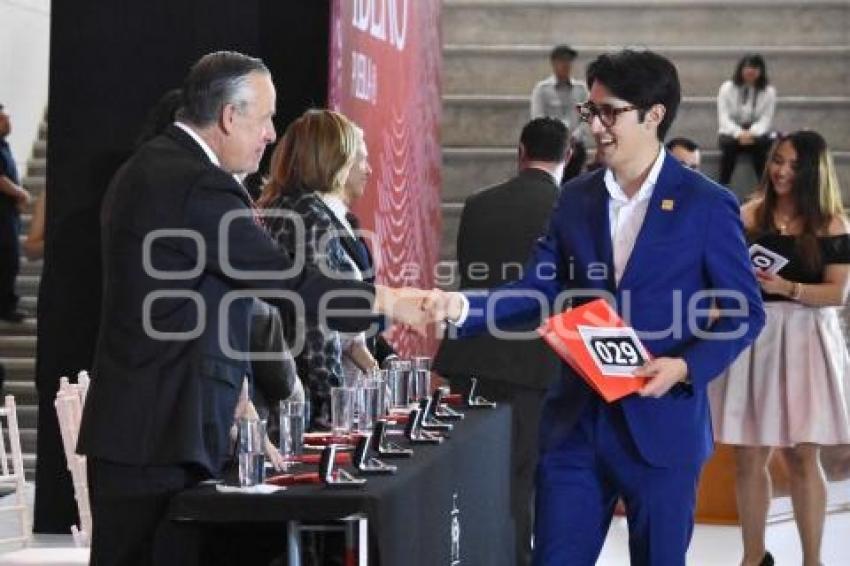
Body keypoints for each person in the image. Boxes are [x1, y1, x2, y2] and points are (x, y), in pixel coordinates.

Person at [77, 51, 436, 566]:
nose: (271, 133)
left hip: (155, 428)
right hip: (158, 436)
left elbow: (196, 307)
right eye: (266, 118)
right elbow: (286, 279)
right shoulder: (196, 182)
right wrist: (393, 303)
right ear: (229, 116)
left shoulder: (155, 167)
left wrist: (240, 403)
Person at [431, 49, 765, 566]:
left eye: (611, 112)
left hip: (663, 430)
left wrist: (685, 367)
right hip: (576, 429)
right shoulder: (575, 197)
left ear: (654, 115)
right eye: (591, 111)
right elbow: (536, 287)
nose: (597, 126)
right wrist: (459, 308)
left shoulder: (706, 203)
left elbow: (745, 312)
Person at [709, 130, 850, 566]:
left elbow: (836, 295)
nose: (782, 171)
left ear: (813, 172)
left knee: (804, 455)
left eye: (793, 165)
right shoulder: (749, 214)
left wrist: (786, 286)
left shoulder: (831, 222)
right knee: (749, 453)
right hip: (756, 338)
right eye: (777, 161)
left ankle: (813, 560)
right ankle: (753, 558)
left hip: (807, 338)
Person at [433, 117, 568, 566]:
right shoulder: (569, 209)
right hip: (536, 364)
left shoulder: (477, 203)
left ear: (520, 152)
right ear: (567, 156)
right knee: (522, 479)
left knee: (473, 474)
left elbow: (474, 275)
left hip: (473, 357)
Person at [258, 109, 379, 429]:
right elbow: (314, 319)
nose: (368, 169)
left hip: (314, 393)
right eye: (359, 158)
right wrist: (330, 407)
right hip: (309, 407)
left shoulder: (309, 212)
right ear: (334, 159)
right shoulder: (306, 214)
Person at [340, 126, 398, 366]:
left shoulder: (348, 224)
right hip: (330, 391)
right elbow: (331, 309)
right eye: (363, 160)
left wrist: (387, 357)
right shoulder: (314, 225)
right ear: (339, 163)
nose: (370, 170)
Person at [530, 45, 588, 182]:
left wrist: (574, 137)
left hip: (575, 147)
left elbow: (587, 118)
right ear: (554, 63)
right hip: (551, 145)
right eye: (562, 61)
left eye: (568, 61)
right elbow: (538, 118)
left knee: (573, 183)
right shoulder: (542, 89)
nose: (565, 65)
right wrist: (558, 137)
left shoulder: (581, 90)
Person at [717, 54, 777, 185]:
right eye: (747, 67)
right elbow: (724, 117)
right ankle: (722, 188)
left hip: (756, 134)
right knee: (728, 148)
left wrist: (752, 133)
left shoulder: (769, 92)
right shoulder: (727, 88)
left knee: (762, 149)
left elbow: (766, 119)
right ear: (741, 69)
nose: (750, 71)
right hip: (731, 133)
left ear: (761, 71)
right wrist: (739, 133)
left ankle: (764, 190)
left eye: (755, 68)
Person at [0, 103, 31, 323]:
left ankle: (7, 304)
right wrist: (20, 193)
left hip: (8, 213)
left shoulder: (4, 146)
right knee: (7, 259)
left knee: (10, 260)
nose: (8, 123)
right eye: (4, 119)